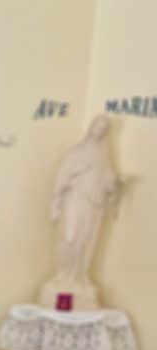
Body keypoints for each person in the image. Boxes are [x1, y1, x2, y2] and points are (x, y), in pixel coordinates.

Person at [39, 114, 121, 310]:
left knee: (87, 240)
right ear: (92, 127)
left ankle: (78, 277)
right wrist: (57, 201)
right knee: (70, 237)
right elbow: (63, 175)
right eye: (97, 125)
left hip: (94, 205)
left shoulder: (103, 154)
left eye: (104, 128)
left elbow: (108, 179)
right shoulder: (77, 151)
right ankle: (63, 276)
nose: (100, 130)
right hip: (75, 200)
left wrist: (116, 182)